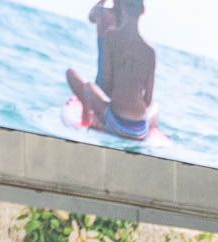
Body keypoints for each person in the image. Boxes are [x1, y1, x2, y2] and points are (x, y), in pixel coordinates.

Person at [65, 0, 157, 141]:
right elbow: (148, 100)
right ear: (143, 10)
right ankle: (149, 130)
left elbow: (107, 84)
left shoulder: (110, 32)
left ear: (124, 7)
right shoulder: (150, 51)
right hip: (140, 129)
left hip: (117, 123)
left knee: (89, 87)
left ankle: (93, 119)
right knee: (155, 108)